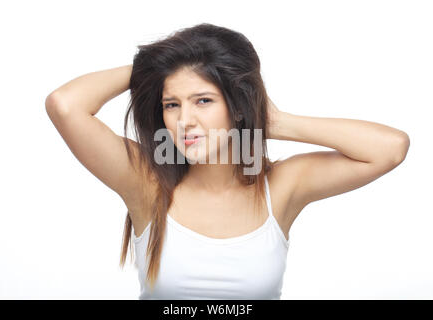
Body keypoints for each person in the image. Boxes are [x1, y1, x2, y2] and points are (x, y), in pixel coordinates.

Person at [45, 23, 410, 300]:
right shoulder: (146, 182)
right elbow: (66, 105)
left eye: (203, 100)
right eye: (172, 104)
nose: (184, 119)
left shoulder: (280, 187)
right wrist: (156, 65)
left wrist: (273, 121)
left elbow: (390, 149)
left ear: (236, 106)